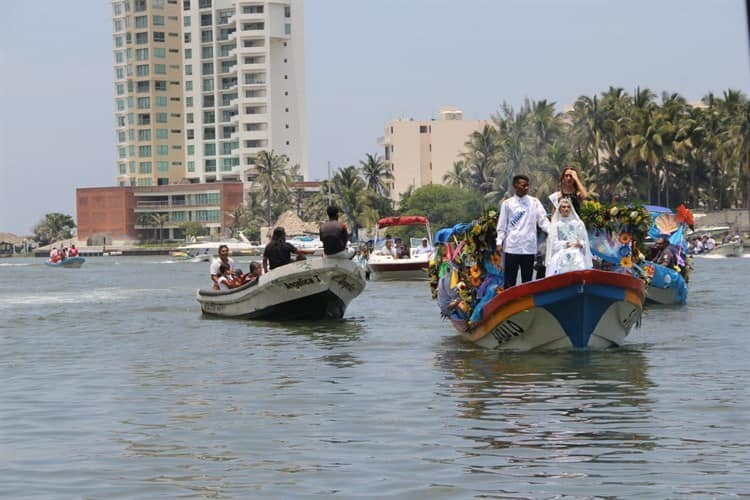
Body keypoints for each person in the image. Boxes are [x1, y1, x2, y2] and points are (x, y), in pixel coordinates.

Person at [496, 174, 550, 288]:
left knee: (527, 282)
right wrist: (499, 242)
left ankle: (525, 305)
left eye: (527, 185)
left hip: (528, 248)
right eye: (523, 185)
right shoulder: (507, 204)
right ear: (516, 186)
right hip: (512, 247)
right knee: (510, 281)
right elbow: (502, 226)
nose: (526, 188)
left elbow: (543, 220)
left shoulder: (535, 202)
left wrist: (552, 232)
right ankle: (509, 304)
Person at [545, 198, 593, 275]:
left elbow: (584, 241)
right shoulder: (555, 225)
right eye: (563, 207)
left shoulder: (578, 223)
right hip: (561, 252)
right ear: (559, 209)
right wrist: (565, 244)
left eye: (568, 207)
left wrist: (579, 244)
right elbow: (553, 244)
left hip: (577, 252)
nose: (566, 209)